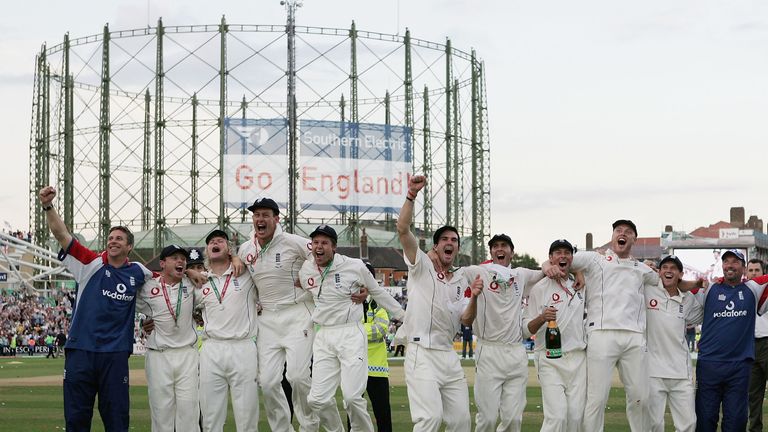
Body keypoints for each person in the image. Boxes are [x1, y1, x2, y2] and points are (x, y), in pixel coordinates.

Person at [39, 185, 152, 431]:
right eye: (110, 238)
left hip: (115, 355)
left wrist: (192, 271)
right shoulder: (89, 263)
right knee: (77, 420)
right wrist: (48, 206)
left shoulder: (139, 272)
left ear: (129, 246)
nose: (113, 241)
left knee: (117, 420)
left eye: (119, 239)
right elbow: (62, 235)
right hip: (81, 351)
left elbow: (166, 283)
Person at [542, 219, 659, 431]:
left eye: (627, 232)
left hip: (633, 337)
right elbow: (562, 260)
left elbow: (667, 281)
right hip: (601, 334)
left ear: (633, 239)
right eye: (618, 231)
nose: (621, 234)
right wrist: (564, 269)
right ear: (613, 236)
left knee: (640, 397)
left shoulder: (642, 269)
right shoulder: (595, 259)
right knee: (596, 399)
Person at [237, 197, 338, 431]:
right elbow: (234, 266)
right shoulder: (246, 249)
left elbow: (327, 258)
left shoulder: (293, 242)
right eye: (256, 215)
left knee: (298, 376)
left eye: (264, 215)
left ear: (276, 219)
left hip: (297, 314)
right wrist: (233, 257)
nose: (259, 220)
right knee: (268, 382)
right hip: (267, 320)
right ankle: (282, 428)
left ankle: (309, 425)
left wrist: (308, 279)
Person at [396, 175, 482, 432]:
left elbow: (466, 321)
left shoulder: (460, 278)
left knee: (461, 422)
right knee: (430, 419)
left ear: (457, 248)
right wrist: (411, 195)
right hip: (421, 352)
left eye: (454, 240)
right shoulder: (421, 265)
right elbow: (403, 229)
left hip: (448, 355)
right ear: (436, 245)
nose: (449, 243)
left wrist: (475, 296)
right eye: (444, 239)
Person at [299, 224, 405, 432]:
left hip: (350, 332)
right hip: (324, 335)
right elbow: (304, 296)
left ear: (334, 247)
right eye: (316, 243)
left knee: (352, 397)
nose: (319, 247)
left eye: (325, 243)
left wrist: (404, 318)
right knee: (316, 400)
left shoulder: (355, 266)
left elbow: (378, 292)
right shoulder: (306, 270)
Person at [460, 233, 547, 432]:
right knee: (488, 419)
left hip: (516, 352)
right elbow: (450, 271)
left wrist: (551, 265)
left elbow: (546, 271)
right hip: (489, 350)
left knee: (513, 421)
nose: (500, 249)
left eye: (504, 246)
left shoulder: (521, 274)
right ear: (491, 252)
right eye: (496, 246)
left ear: (512, 252)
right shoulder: (478, 271)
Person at [696, 250, 768, 432]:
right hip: (709, 365)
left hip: (739, 367)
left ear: (743, 268)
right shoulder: (709, 288)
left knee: (736, 422)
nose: (730, 265)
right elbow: (677, 284)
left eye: (735, 262)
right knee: (705, 419)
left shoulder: (753, 288)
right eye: (726, 261)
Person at [197, 229, 260, 432]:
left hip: (242, 347)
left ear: (229, 248)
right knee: (211, 416)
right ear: (207, 250)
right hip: (211, 349)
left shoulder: (246, 274)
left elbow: (257, 244)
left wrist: (236, 258)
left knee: (247, 413)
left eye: (220, 241)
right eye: (211, 242)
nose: (215, 243)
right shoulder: (200, 282)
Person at [522, 239, 586, 432]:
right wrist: (542, 317)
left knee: (575, 418)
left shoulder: (581, 283)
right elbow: (526, 330)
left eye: (567, 252)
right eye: (557, 252)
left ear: (572, 258)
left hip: (578, 359)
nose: (562, 256)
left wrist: (579, 271)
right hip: (549, 358)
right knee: (556, 418)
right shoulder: (539, 288)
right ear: (550, 258)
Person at [136, 245, 200, 432]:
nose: (180, 261)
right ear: (162, 264)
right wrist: (144, 322)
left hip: (187, 354)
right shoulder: (147, 287)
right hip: (159, 355)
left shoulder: (192, 283)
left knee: (189, 412)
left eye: (183, 258)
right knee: (161, 413)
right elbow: (129, 306)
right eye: (175, 258)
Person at [645, 255, 703, 432]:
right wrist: (646, 267)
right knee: (653, 424)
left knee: (688, 424)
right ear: (659, 271)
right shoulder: (647, 289)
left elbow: (703, 315)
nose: (668, 270)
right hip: (652, 370)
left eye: (673, 268)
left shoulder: (688, 299)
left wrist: (694, 286)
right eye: (665, 267)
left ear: (680, 274)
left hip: (680, 372)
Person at [360, 261, 394, 432]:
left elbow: (380, 330)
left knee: (383, 415)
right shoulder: (347, 301)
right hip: (355, 366)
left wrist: (354, 332)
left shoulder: (378, 302)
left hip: (376, 368)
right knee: (354, 413)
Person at [748, 258, 768, 432]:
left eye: (757, 270)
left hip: (767, 342)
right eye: (751, 270)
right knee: (753, 396)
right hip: (750, 347)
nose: (753, 273)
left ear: (763, 273)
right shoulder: (743, 293)